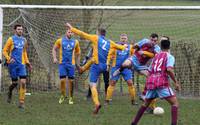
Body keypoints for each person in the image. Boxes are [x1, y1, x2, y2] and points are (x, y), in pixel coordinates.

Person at [66, 23, 127, 114]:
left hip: (96, 65)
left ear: (98, 33)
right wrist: (125, 46)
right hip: (105, 66)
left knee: (92, 85)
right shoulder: (110, 42)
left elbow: (83, 34)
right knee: (92, 59)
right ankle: (82, 69)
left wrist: (72, 29)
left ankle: (97, 103)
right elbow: (121, 47)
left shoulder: (96, 38)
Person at [131, 39, 181, 125]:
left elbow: (149, 71)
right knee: (175, 103)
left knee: (145, 104)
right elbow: (169, 69)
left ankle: (134, 123)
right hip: (161, 82)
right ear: (169, 47)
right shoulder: (170, 56)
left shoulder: (156, 56)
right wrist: (176, 82)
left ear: (160, 47)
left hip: (151, 81)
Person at [113, 33, 160, 112]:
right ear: (149, 38)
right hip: (134, 59)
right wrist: (136, 47)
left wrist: (144, 53)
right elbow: (136, 46)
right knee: (125, 64)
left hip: (142, 65)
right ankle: (119, 70)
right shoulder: (145, 41)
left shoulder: (157, 48)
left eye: (155, 41)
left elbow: (155, 55)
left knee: (150, 77)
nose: (153, 42)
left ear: (157, 41)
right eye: (152, 40)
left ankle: (144, 95)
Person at [3, 24, 32, 109]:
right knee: (15, 83)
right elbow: (4, 51)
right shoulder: (11, 39)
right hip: (13, 65)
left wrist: (27, 62)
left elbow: (24, 52)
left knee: (23, 82)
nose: (20, 31)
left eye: (21, 29)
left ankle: (21, 102)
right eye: (19, 29)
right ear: (15, 30)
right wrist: (8, 58)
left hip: (21, 64)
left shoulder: (24, 40)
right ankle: (10, 91)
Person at [105, 33, 137, 105]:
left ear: (127, 39)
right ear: (120, 39)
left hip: (126, 68)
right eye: (122, 38)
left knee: (130, 83)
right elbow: (109, 56)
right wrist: (108, 64)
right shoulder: (115, 47)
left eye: (125, 38)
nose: (123, 40)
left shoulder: (130, 47)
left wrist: (131, 62)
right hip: (115, 67)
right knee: (112, 83)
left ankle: (133, 100)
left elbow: (134, 56)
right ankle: (107, 100)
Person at [52, 27, 81, 105]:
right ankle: (62, 95)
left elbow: (78, 53)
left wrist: (77, 63)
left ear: (73, 34)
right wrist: (55, 58)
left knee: (71, 81)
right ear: (66, 32)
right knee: (62, 80)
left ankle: (71, 97)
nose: (70, 33)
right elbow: (54, 49)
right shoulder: (60, 41)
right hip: (62, 64)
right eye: (69, 32)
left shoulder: (76, 42)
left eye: (71, 32)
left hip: (71, 65)